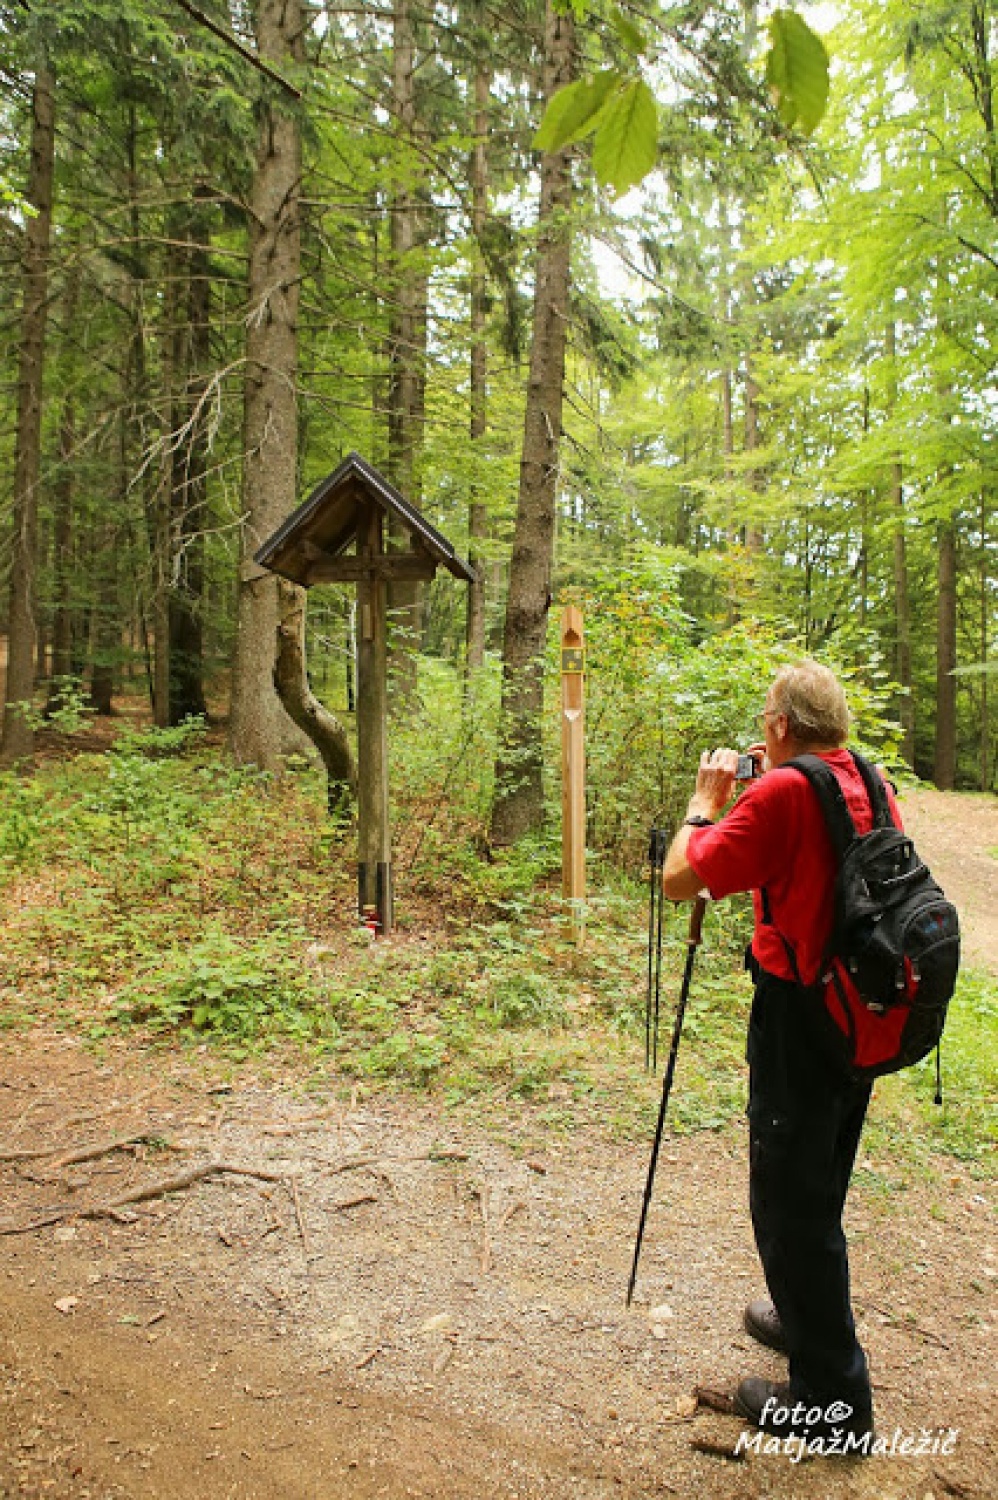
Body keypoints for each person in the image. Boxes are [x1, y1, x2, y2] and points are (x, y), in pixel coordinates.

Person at [660, 659, 898, 1444]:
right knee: (816, 1184)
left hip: (801, 1017)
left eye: (767, 715)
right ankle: (806, 1322)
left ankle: (833, 1404)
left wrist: (704, 803)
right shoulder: (867, 776)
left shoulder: (784, 792)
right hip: (856, 1011)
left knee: (789, 1205)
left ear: (782, 727)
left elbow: (679, 880)